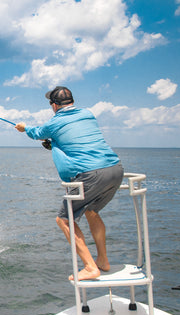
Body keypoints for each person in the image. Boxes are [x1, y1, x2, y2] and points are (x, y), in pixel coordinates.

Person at [15, 86, 124, 281]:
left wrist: (24, 128)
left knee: (64, 220)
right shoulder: (88, 115)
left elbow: (37, 132)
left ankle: (90, 267)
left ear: (54, 105)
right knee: (91, 212)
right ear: (72, 101)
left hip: (90, 175)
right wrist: (55, 143)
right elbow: (76, 139)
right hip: (115, 169)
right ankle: (103, 260)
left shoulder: (54, 123)